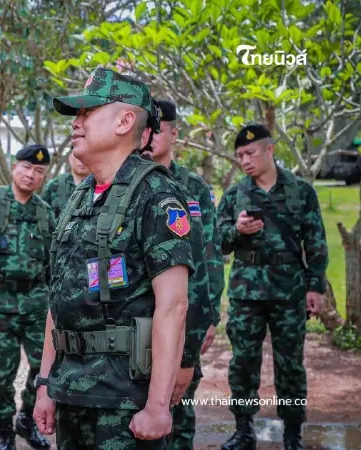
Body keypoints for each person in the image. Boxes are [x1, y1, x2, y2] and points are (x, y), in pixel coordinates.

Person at [32, 67, 193, 449]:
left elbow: (174, 306)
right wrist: (44, 383)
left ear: (124, 121)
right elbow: (60, 296)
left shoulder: (157, 196)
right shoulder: (81, 196)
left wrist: (157, 406)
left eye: (88, 112)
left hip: (124, 403)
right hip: (72, 392)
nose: (76, 122)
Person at [217, 124, 328, 450]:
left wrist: (315, 287)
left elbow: (316, 243)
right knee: (243, 364)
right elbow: (217, 242)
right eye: (239, 156)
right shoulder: (236, 194)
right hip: (246, 293)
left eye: (250, 153)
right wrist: (237, 230)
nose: (244, 161)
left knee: (290, 365)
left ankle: (293, 434)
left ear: (269, 150)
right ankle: (244, 431)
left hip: (288, 291)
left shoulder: (300, 191)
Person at [140, 100, 224, 449]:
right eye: (149, 127)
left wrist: (209, 317)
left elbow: (209, 257)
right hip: (138, 319)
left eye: (161, 129)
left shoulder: (193, 187)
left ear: (174, 134)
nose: (153, 136)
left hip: (182, 318)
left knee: (180, 414)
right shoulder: (123, 181)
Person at [0, 144, 54, 450]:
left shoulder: (45, 213)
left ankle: (26, 421)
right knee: (2, 375)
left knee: (42, 367)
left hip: (35, 302)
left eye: (38, 171)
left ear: (43, 177)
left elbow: (51, 263)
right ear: (14, 168)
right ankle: (5, 432)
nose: (30, 175)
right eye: (26, 167)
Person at [41, 152, 91, 219]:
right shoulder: (54, 185)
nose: (81, 161)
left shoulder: (100, 186)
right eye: (78, 157)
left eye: (86, 157)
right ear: (70, 158)